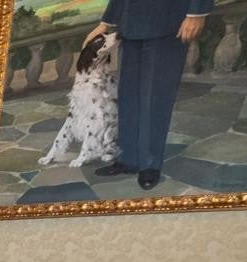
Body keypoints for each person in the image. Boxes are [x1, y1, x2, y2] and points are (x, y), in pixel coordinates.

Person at [87, 0, 213, 190]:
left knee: (156, 98)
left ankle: (149, 164)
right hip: (130, 26)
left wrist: (197, 14)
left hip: (168, 21)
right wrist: (106, 22)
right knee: (129, 97)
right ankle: (128, 159)